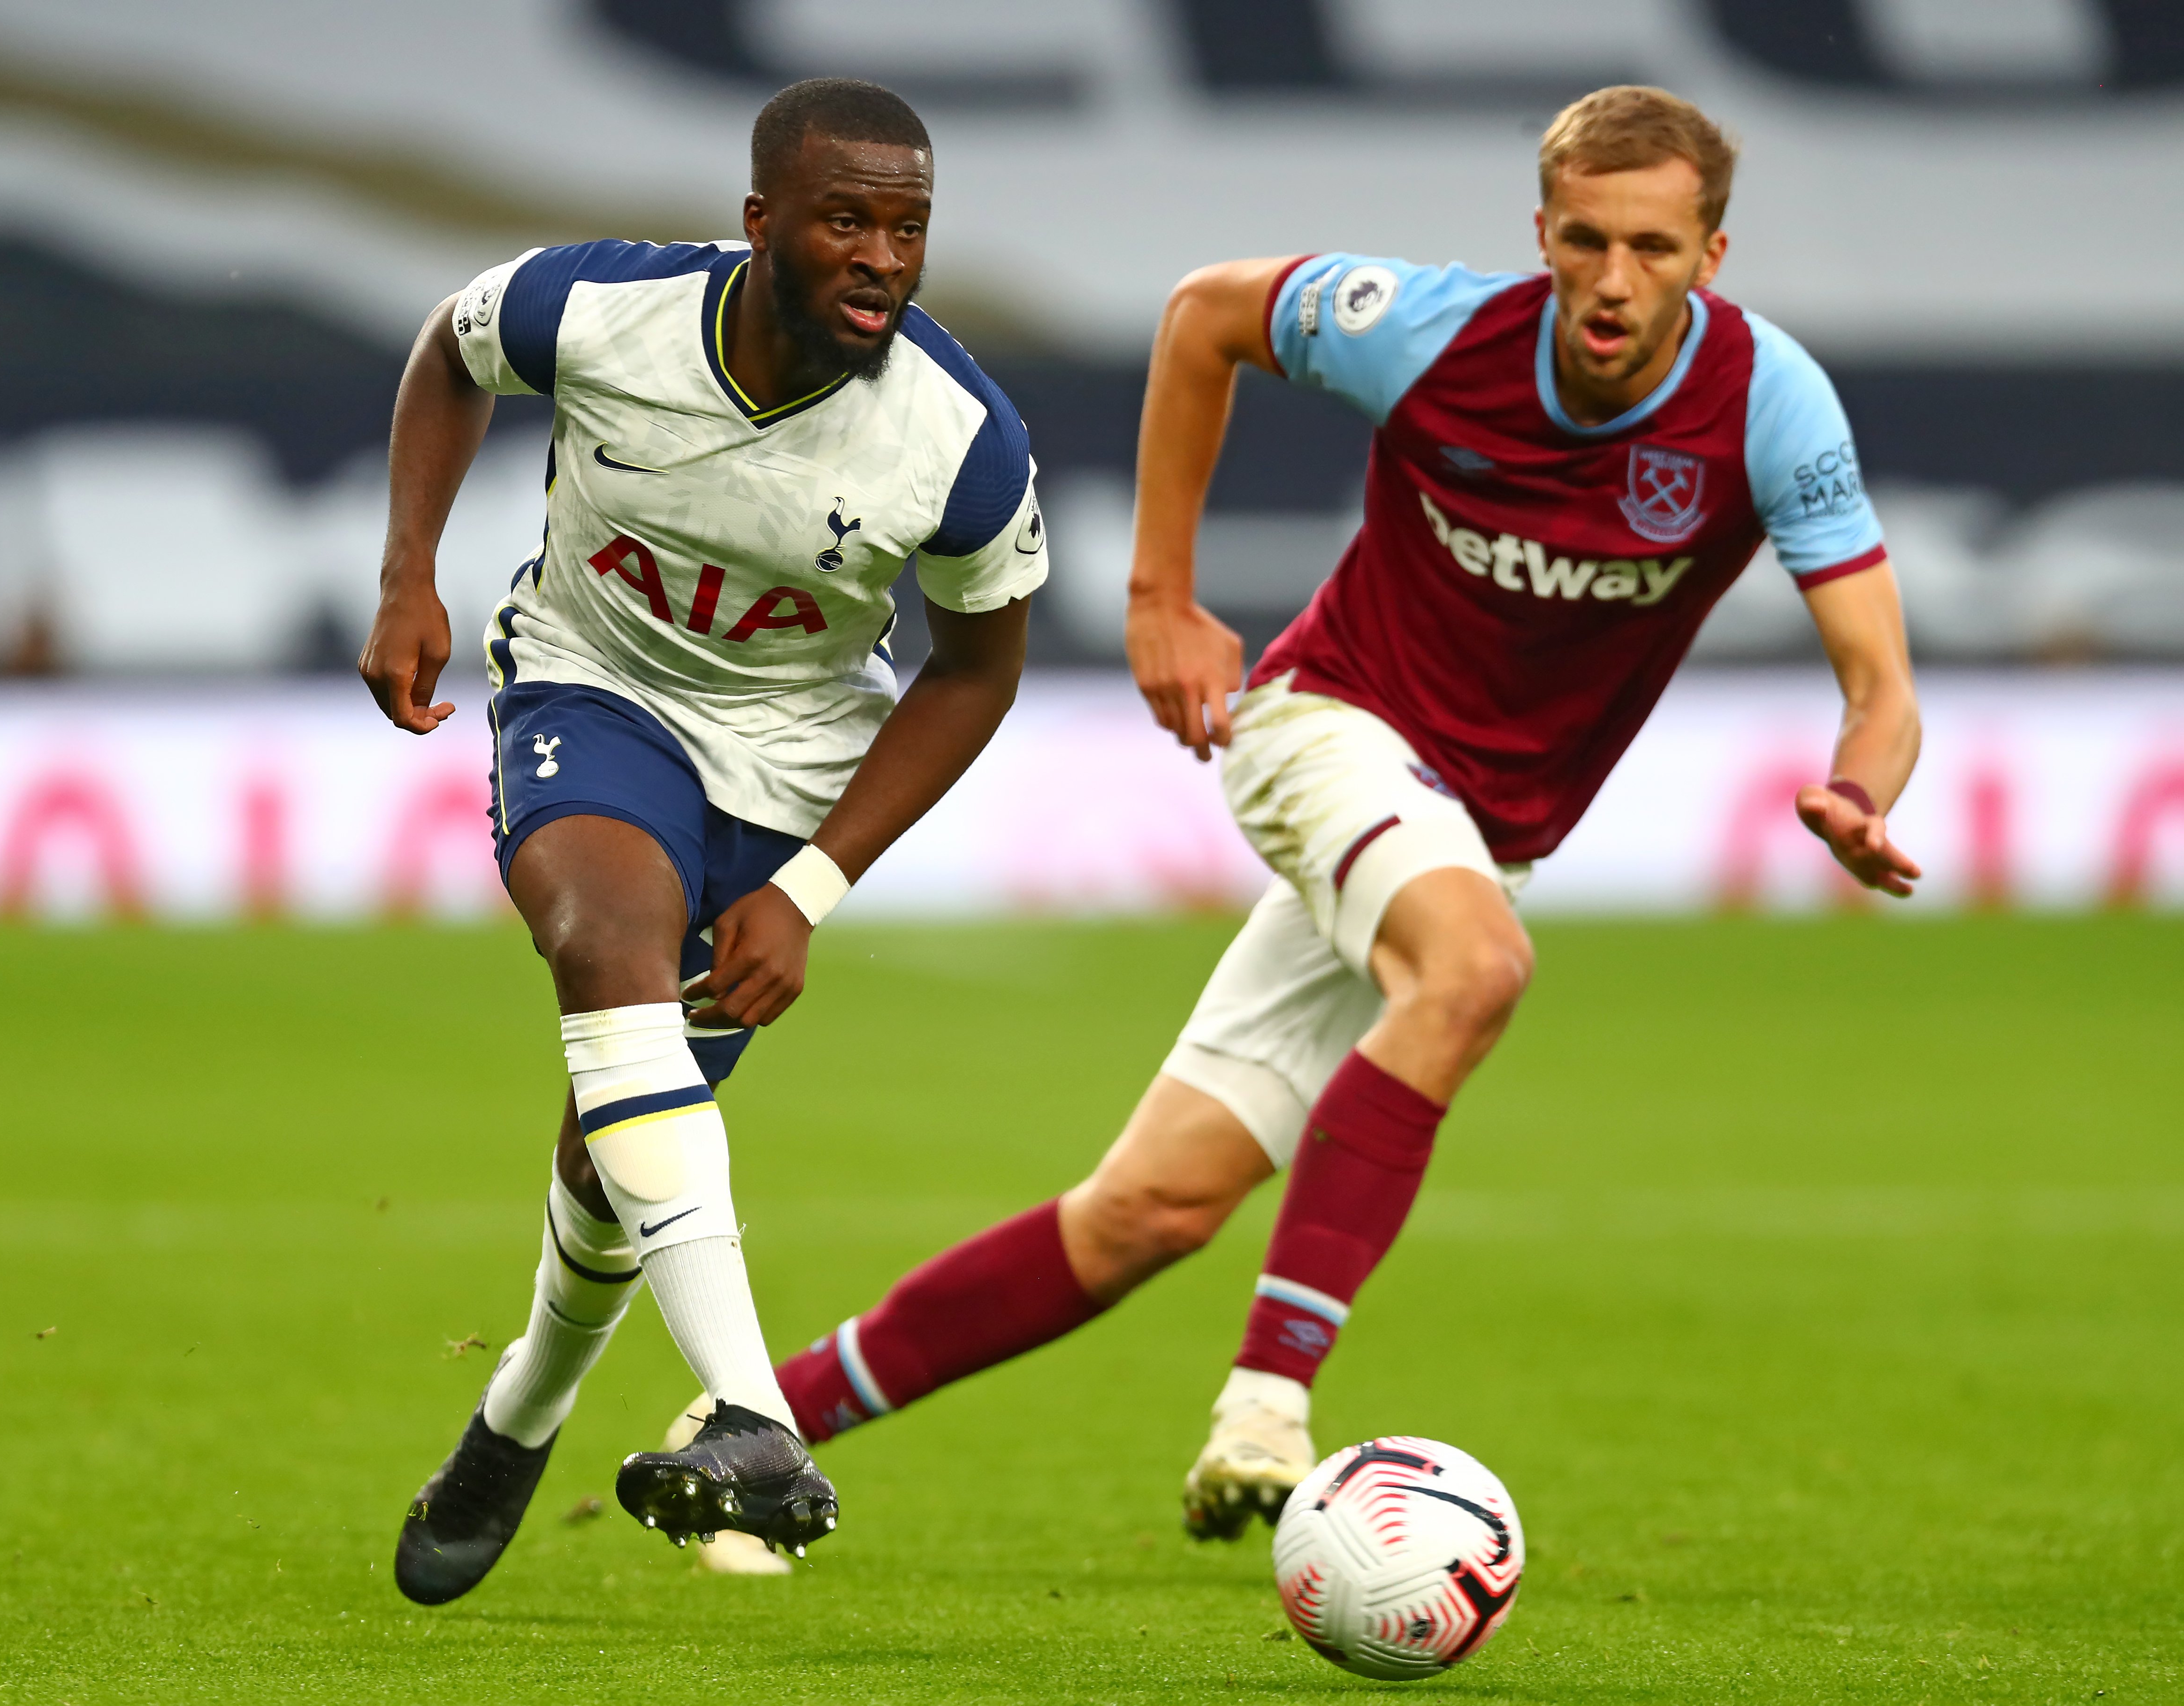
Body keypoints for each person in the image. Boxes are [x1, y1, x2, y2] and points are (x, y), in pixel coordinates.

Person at [685, 83, 1921, 1568]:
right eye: (1584, 241)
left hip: (1475, 826)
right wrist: (1159, 594)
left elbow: (1883, 685)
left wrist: (1861, 792)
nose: (1611, 281)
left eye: (1651, 249)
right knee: (1472, 972)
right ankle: (1270, 1403)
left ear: (1712, 256)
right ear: (1541, 235)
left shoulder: (1772, 405)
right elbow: (1206, 313)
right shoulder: (1435, 327)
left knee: (1145, 1210)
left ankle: (754, 1424)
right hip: (1328, 727)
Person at [357, 77, 1047, 1600]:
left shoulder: (961, 442)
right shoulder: (602, 308)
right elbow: (449, 352)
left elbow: (981, 668)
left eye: (909, 227)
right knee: (604, 948)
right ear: (760, 225)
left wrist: (810, 882)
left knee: (618, 1150)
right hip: (593, 690)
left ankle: (517, 1410)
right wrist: (410, 568)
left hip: (791, 770)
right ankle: (758, 1413)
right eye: (847, 219)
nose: (883, 255)